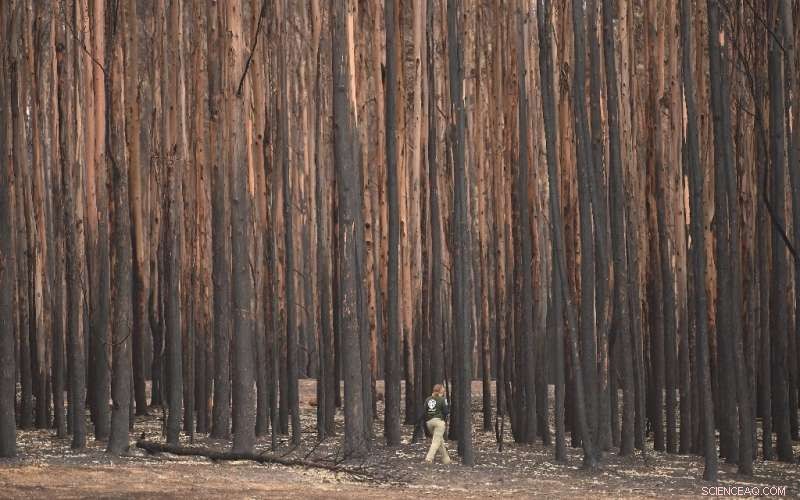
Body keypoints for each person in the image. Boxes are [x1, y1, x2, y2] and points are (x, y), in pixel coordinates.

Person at [423, 384, 451, 464]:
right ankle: (429, 458)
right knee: (436, 441)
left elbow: (425, 411)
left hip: (429, 423)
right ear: (441, 391)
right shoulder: (442, 399)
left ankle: (446, 460)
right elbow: (446, 411)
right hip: (439, 422)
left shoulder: (428, 399)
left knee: (440, 441)